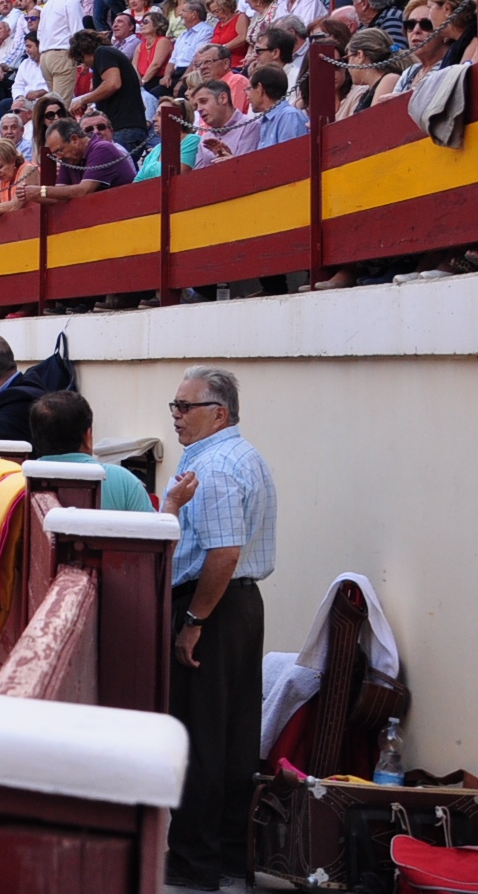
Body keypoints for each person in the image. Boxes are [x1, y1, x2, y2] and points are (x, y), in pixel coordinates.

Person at [162, 367, 276, 894]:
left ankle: (195, 860)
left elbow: (223, 554)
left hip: (214, 607)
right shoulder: (239, 456)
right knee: (231, 734)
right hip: (238, 606)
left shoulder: (218, 466)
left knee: (203, 735)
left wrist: (194, 622)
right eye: (176, 407)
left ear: (219, 413)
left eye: (185, 407)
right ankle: (229, 856)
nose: (177, 417)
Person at [26, 390, 154, 512]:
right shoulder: (124, 481)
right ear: (88, 435)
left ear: (35, 437)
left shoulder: (20, 482)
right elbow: (154, 532)